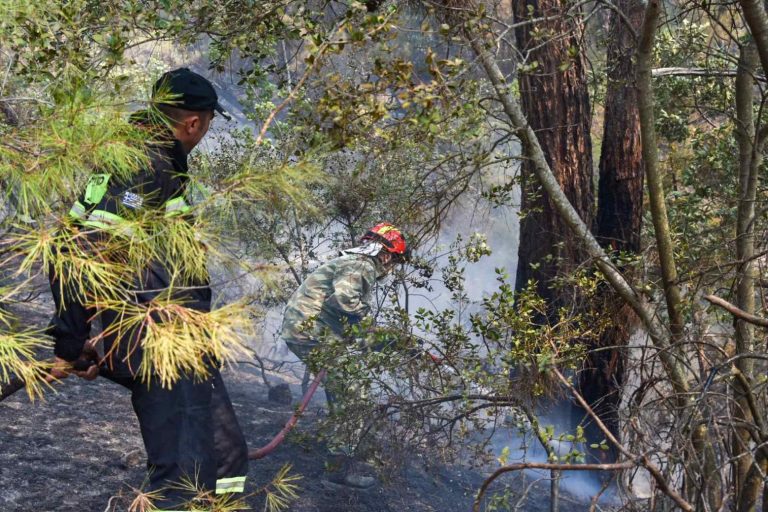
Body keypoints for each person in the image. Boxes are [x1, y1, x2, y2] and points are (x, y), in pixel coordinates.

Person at [47, 68, 249, 510]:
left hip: (183, 341)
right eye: (208, 124)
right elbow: (78, 248)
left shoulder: (154, 160)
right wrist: (71, 340)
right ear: (194, 122)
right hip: (160, 343)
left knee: (226, 455)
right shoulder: (144, 162)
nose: (205, 133)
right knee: (182, 472)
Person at [280, 222, 410, 489]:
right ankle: (337, 470)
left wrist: (383, 341)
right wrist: (372, 329)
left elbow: (343, 318)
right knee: (354, 392)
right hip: (311, 332)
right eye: (394, 260)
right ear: (386, 254)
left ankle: (345, 451)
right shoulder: (361, 264)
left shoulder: (355, 263)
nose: (391, 266)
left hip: (310, 330)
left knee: (344, 388)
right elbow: (344, 301)